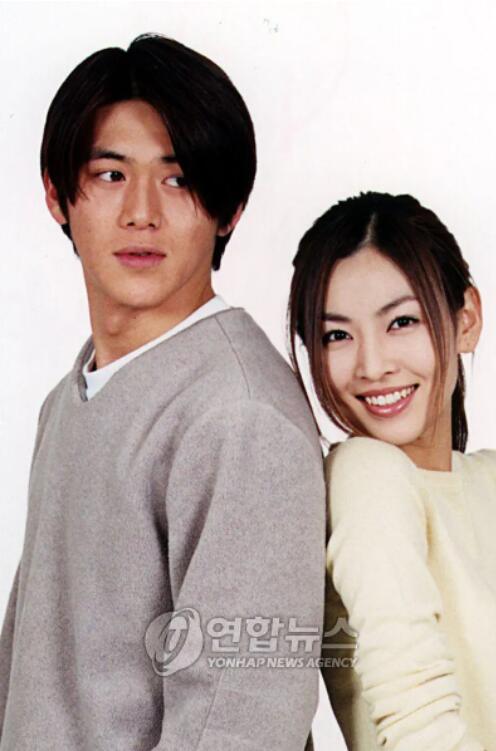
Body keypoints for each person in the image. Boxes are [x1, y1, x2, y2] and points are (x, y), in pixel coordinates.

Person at [0, 34, 326, 751]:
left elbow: (242, 718)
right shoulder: (70, 398)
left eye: (178, 180)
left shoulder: (240, 416)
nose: (141, 212)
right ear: (57, 195)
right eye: (111, 174)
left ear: (229, 209)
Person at [288, 191, 495, 750]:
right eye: (337, 335)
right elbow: (418, 722)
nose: (372, 365)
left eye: (401, 322)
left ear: (467, 319)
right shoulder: (366, 475)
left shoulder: (486, 480)